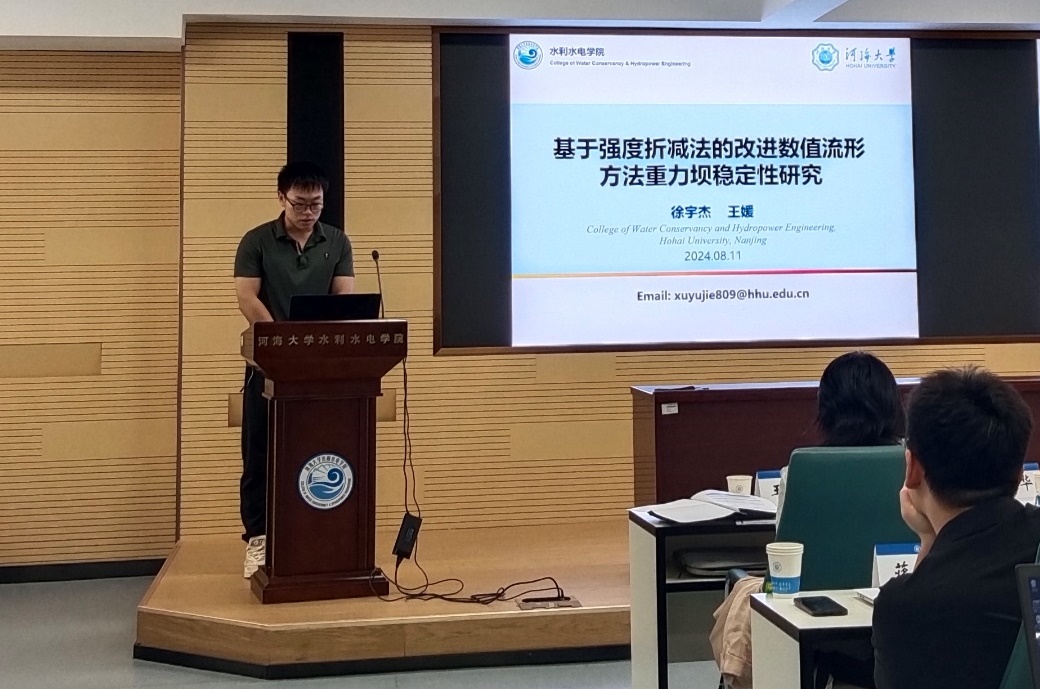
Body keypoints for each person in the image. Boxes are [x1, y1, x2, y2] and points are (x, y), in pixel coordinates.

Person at [712, 351, 905, 689]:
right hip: (899, 618)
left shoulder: (800, 472)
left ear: (825, 410)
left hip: (812, 619)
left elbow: (784, 557)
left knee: (744, 587)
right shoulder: (917, 467)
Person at [873, 367, 1040, 689]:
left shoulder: (905, 606)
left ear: (912, 468)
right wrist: (930, 537)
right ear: (1020, 473)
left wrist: (927, 541)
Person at [233, 161, 355, 578]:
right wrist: (281, 344)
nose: (308, 212)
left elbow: (343, 299)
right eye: (300, 204)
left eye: (316, 204)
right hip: (267, 364)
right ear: (281, 198)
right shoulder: (256, 241)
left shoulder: (336, 241)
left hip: (319, 367)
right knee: (260, 453)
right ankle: (258, 538)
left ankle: (317, 534)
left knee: (319, 450)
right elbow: (247, 297)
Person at [775, 351, 905, 518]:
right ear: (893, 404)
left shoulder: (797, 474)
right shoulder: (915, 468)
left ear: (825, 410)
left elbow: (786, 535)